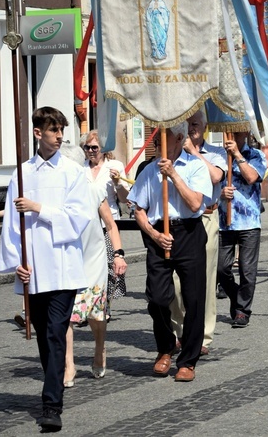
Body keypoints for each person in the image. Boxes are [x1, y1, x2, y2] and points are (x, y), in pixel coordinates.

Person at [0, 107, 91, 432]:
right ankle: (52, 385)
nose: (60, 136)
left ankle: (51, 405)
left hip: (63, 269)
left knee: (54, 333)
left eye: (62, 130)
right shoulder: (21, 174)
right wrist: (17, 264)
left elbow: (79, 217)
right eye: (54, 130)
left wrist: (39, 207)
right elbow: (12, 224)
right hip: (34, 271)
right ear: (38, 133)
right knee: (43, 337)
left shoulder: (72, 171)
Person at [128, 123, 212, 382]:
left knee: (194, 299)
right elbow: (138, 208)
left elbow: (197, 203)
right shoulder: (149, 170)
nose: (155, 142)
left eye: (161, 136)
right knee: (157, 298)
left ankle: (188, 360)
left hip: (188, 232)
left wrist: (174, 175)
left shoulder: (196, 166)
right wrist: (154, 235)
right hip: (159, 235)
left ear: (177, 138)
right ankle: (165, 347)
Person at [61, 143, 127, 387]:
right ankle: (69, 365)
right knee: (65, 315)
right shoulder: (56, 195)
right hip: (68, 261)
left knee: (95, 315)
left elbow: (111, 225)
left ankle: (100, 347)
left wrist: (118, 254)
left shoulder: (91, 190)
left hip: (95, 259)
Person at [170, 110, 226, 356]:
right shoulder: (174, 151)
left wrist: (194, 153)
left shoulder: (216, 153)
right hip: (180, 222)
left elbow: (215, 177)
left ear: (204, 127)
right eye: (187, 123)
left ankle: (203, 335)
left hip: (206, 217)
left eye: (195, 123)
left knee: (204, 278)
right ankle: (179, 331)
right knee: (174, 282)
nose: (191, 127)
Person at [217, 130, 267, 328]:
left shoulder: (256, 155)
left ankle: (242, 311)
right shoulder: (218, 157)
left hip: (249, 222)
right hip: (224, 222)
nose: (232, 137)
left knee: (247, 270)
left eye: (237, 133)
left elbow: (252, 177)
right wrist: (220, 193)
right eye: (230, 133)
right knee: (221, 268)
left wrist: (237, 155)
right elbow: (210, 184)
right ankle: (237, 296)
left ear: (245, 133)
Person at [81, 130, 130, 317]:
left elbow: (125, 199)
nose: (91, 151)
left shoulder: (115, 166)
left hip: (109, 223)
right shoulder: (81, 168)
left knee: (109, 266)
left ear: (103, 149)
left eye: (95, 147)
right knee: (88, 266)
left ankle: (105, 306)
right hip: (87, 225)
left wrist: (118, 182)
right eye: (87, 148)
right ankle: (88, 305)